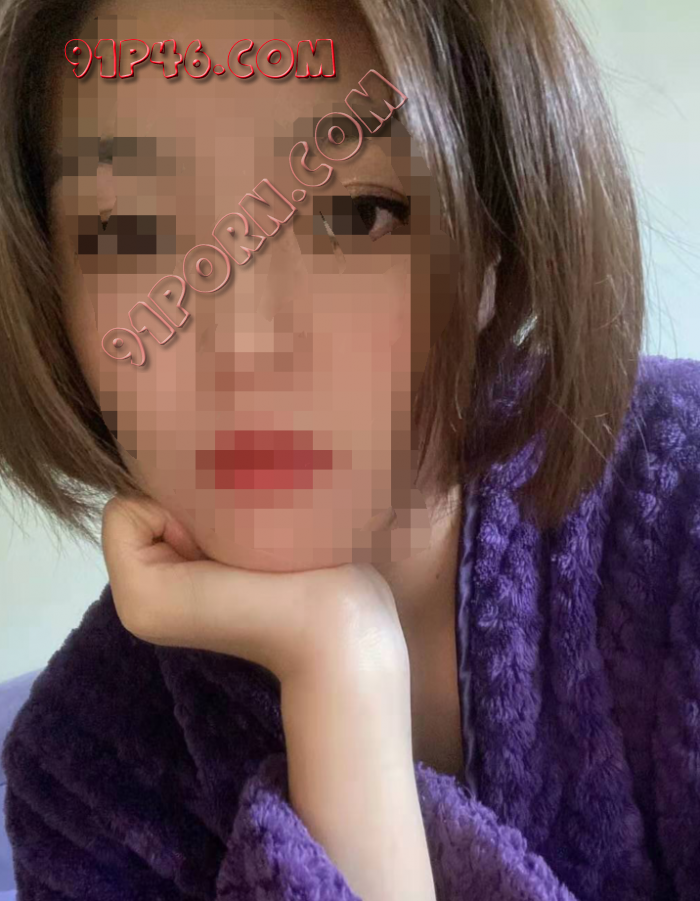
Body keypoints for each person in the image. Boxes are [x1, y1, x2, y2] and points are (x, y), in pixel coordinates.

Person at [1, 0, 699, 898]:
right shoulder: (83, 777)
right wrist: (341, 674)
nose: (244, 345)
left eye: (357, 214)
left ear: (499, 240)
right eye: (133, 232)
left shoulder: (680, 508)